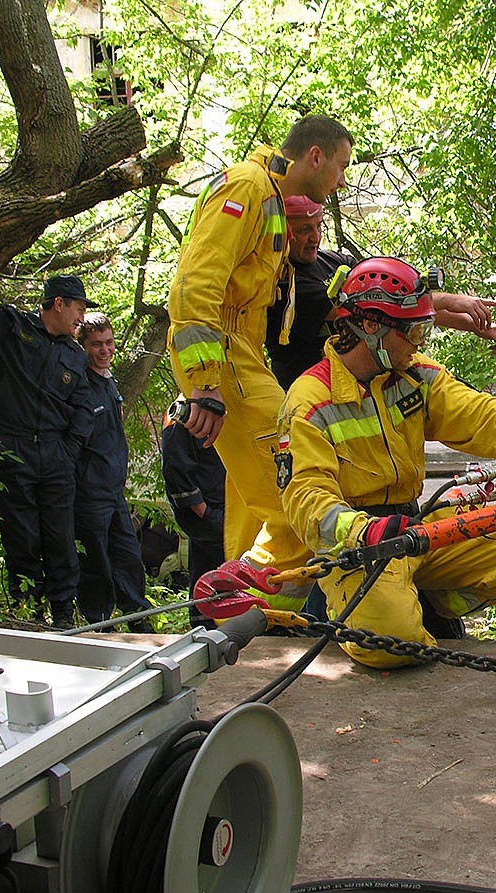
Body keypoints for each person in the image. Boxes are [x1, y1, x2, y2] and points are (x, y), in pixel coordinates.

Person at [280, 256, 496, 669]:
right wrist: (364, 530)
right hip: (357, 549)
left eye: (426, 328)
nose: (421, 342)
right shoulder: (310, 402)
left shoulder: (414, 375)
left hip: (414, 532)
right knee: (390, 642)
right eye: (415, 331)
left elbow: (480, 413)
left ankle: (429, 606)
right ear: (370, 326)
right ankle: (371, 611)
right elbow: (306, 500)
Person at [167, 115, 353, 608]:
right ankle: (252, 600)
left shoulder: (267, 195)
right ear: (315, 156)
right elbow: (194, 284)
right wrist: (205, 384)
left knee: (259, 497)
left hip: (242, 357)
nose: (339, 183)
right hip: (225, 359)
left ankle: (250, 607)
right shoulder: (247, 188)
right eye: (339, 168)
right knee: (298, 485)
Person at [264, 194, 496, 390]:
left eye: (319, 226)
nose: (315, 236)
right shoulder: (285, 285)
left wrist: (475, 324)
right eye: (303, 230)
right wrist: (454, 300)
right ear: (282, 231)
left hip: (359, 387)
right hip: (314, 393)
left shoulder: (334, 262)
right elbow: (385, 305)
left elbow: (400, 312)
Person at [0, 275, 93, 628]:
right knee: (22, 537)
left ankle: (62, 616)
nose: (81, 319)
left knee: (60, 538)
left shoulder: (74, 355)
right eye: (79, 309)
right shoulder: (10, 327)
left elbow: (84, 407)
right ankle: (28, 612)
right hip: (10, 448)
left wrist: (69, 450)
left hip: (55, 455)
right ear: (58, 304)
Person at [73, 313, 155, 631]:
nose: (105, 350)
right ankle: (98, 625)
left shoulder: (109, 383)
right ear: (82, 347)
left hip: (113, 491)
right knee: (96, 564)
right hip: (89, 494)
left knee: (128, 559)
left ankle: (140, 623)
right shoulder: (79, 387)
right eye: (96, 345)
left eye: (108, 343)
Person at [161, 402, 226, 627]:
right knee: (219, 568)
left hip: (222, 507)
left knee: (205, 565)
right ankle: (209, 625)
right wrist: (204, 512)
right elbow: (175, 467)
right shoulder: (181, 413)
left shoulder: (218, 406)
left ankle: (205, 623)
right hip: (207, 512)